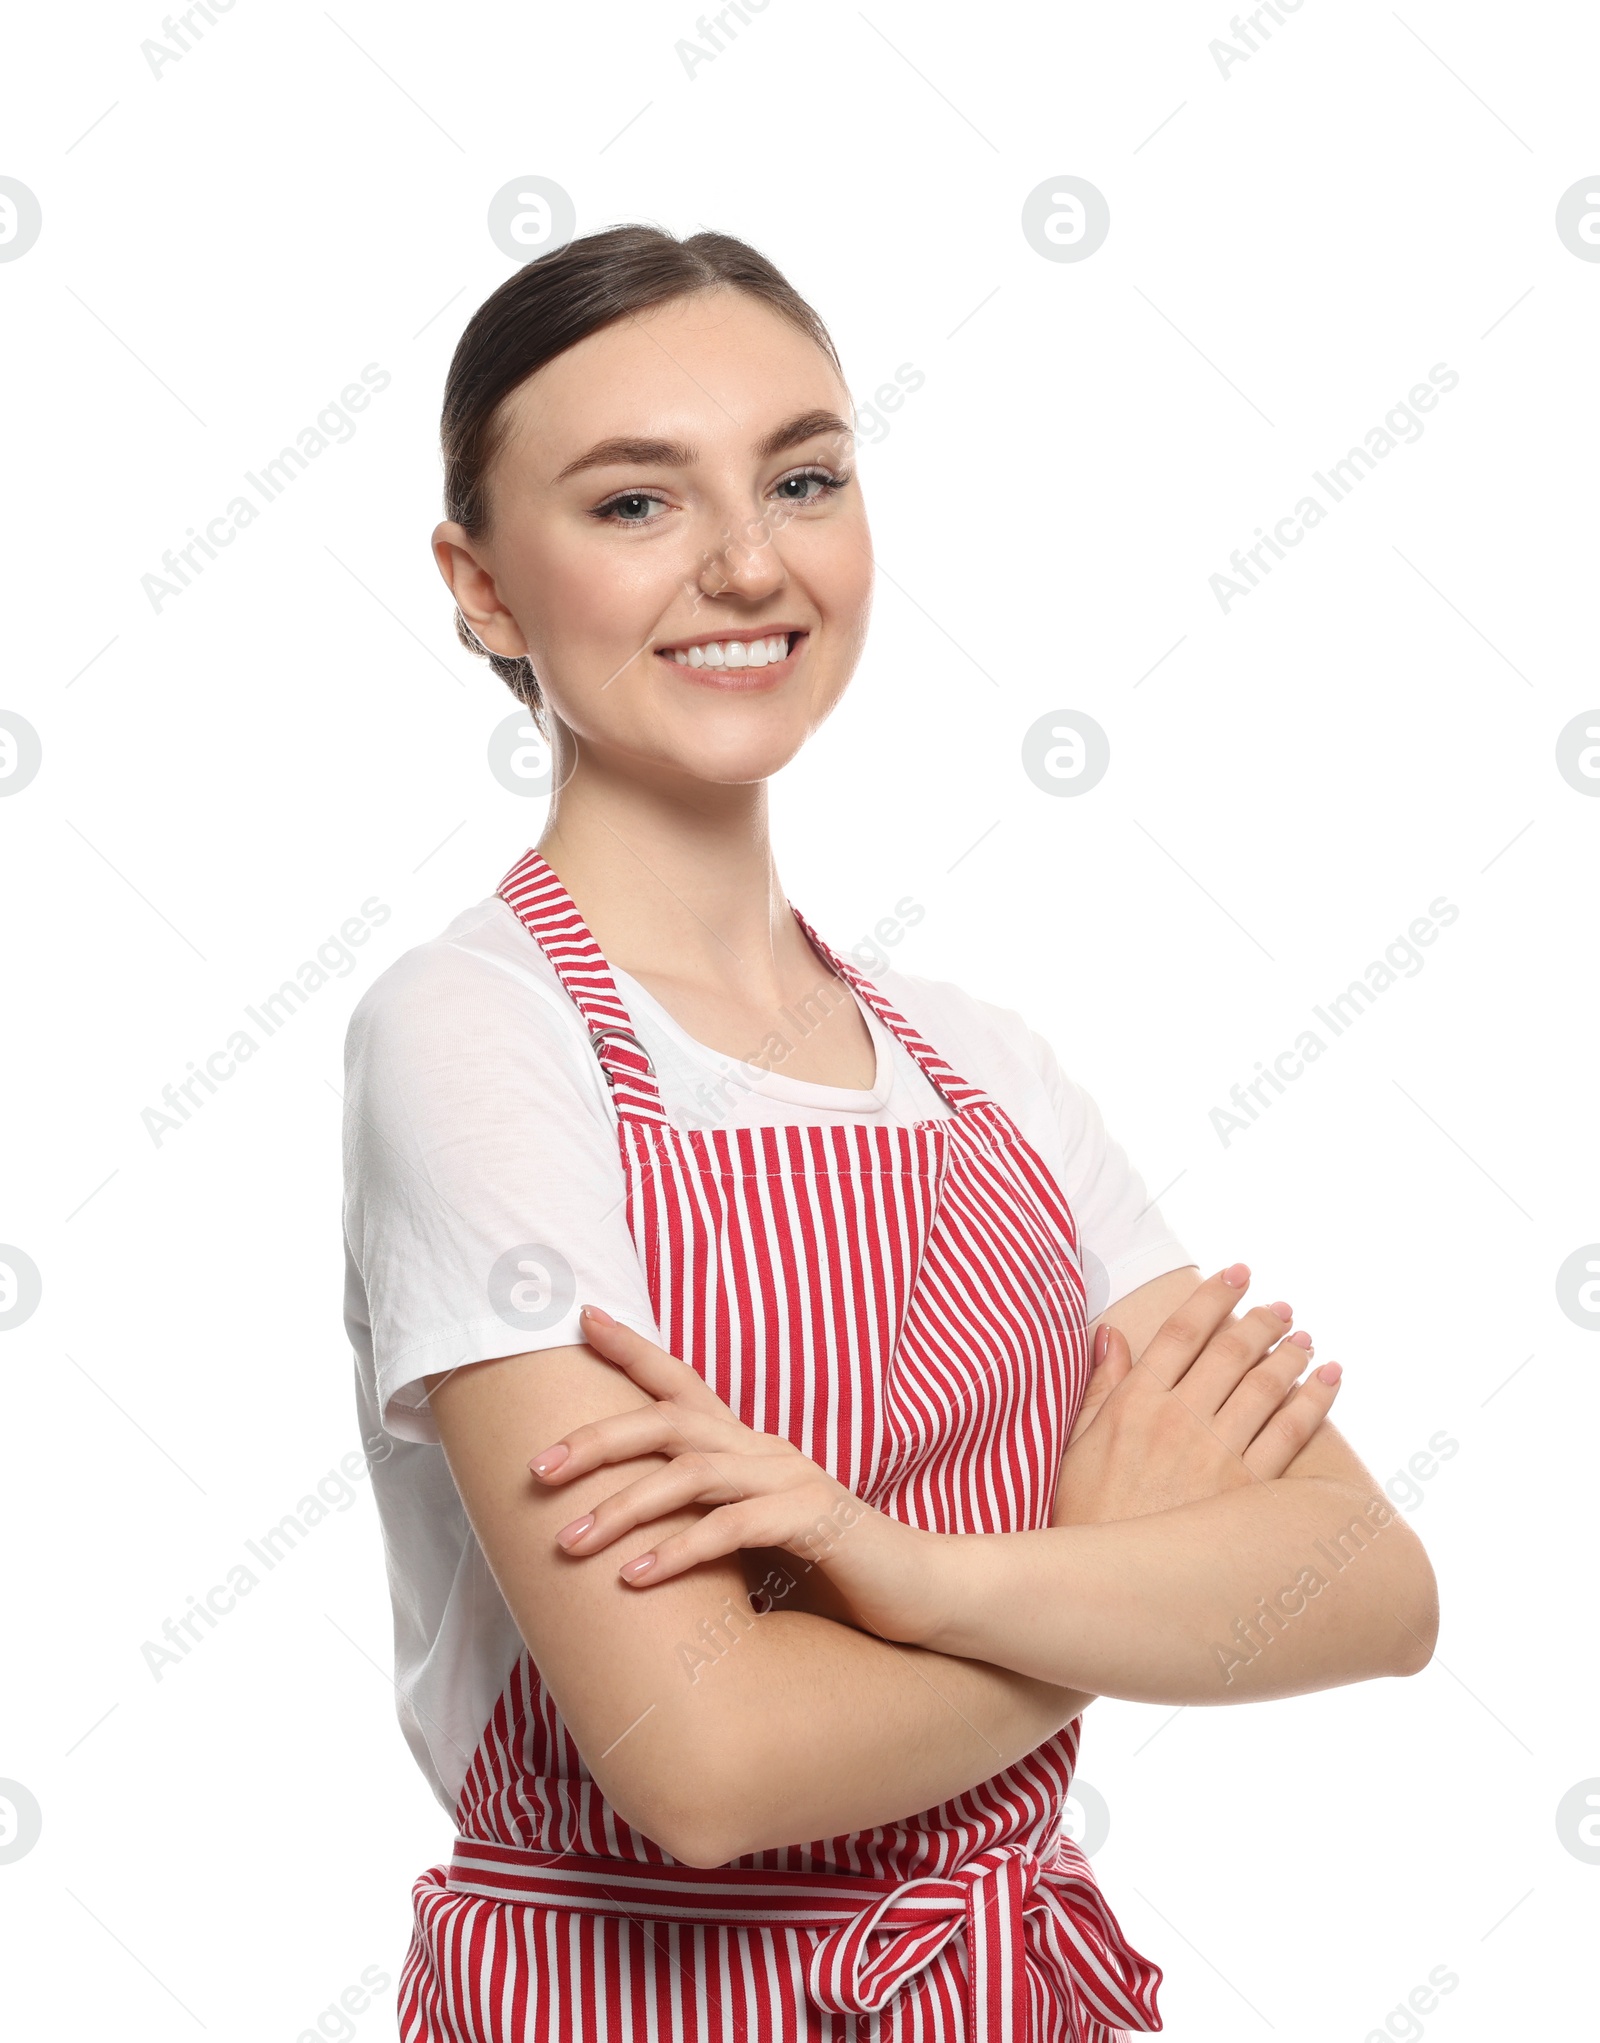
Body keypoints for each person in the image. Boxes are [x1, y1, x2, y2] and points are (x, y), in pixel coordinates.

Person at [341, 224, 1439, 2043]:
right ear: (481, 585)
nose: (748, 560)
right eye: (633, 503)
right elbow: (701, 1761)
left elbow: (1371, 1589)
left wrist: (911, 1573)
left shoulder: (988, 1069)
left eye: (804, 476)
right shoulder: (472, 1042)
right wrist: (1100, 1592)